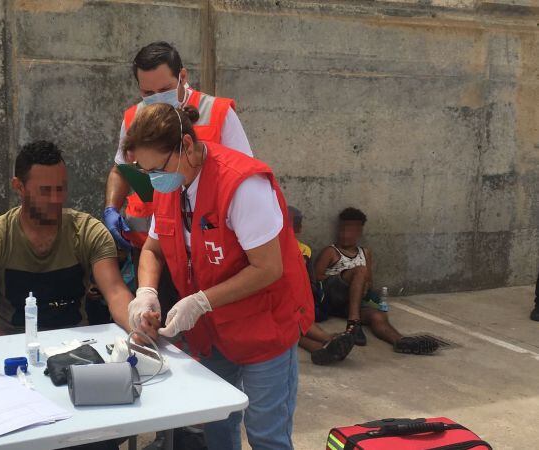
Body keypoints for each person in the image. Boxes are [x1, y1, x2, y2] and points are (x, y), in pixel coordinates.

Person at [124, 103, 313, 450]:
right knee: (216, 426)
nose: (154, 179)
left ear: (187, 145)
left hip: (263, 327)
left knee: (266, 434)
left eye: (158, 168)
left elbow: (269, 267)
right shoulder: (169, 186)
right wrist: (146, 291)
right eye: (146, 171)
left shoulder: (241, 185)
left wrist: (201, 301)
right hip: (210, 333)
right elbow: (153, 249)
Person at [103, 42, 253, 315]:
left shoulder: (217, 113)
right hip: (154, 247)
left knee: (213, 325)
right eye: (147, 92)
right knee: (154, 324)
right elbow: (120, 169)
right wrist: (111, 208)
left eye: (164, 90)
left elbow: (243, 176)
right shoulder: (135, 118)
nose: (156, 100)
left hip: (211, 250)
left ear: (182, 77)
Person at [0, 140, 158, 339]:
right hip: (13, 346)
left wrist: (138, 323)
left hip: (77, 345)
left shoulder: (88, 232)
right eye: (45, 190)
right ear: (18, 187)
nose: (56, 199)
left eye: (61, 188)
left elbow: (116, 293)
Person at [313, 207, 439, 355]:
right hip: (332, 296)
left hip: (351, 303)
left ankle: (400, 341)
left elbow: (369, 280)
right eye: (343, 229)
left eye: (351, 231)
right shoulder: (331, 251)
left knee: (377, 316)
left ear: (359, 232)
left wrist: (364, 285)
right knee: (360, 270)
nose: (345, 234)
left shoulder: (365, 253)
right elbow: (316, 278)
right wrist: (347, 276)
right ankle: (353, 323)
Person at [288, 206, 354, 366]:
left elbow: (308, 283)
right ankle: (325, 344)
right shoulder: (271, 247)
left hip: (300, 302)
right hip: (285, 303)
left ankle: (327, 341)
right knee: (289, 327)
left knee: (292, 322)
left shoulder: (302, 250)